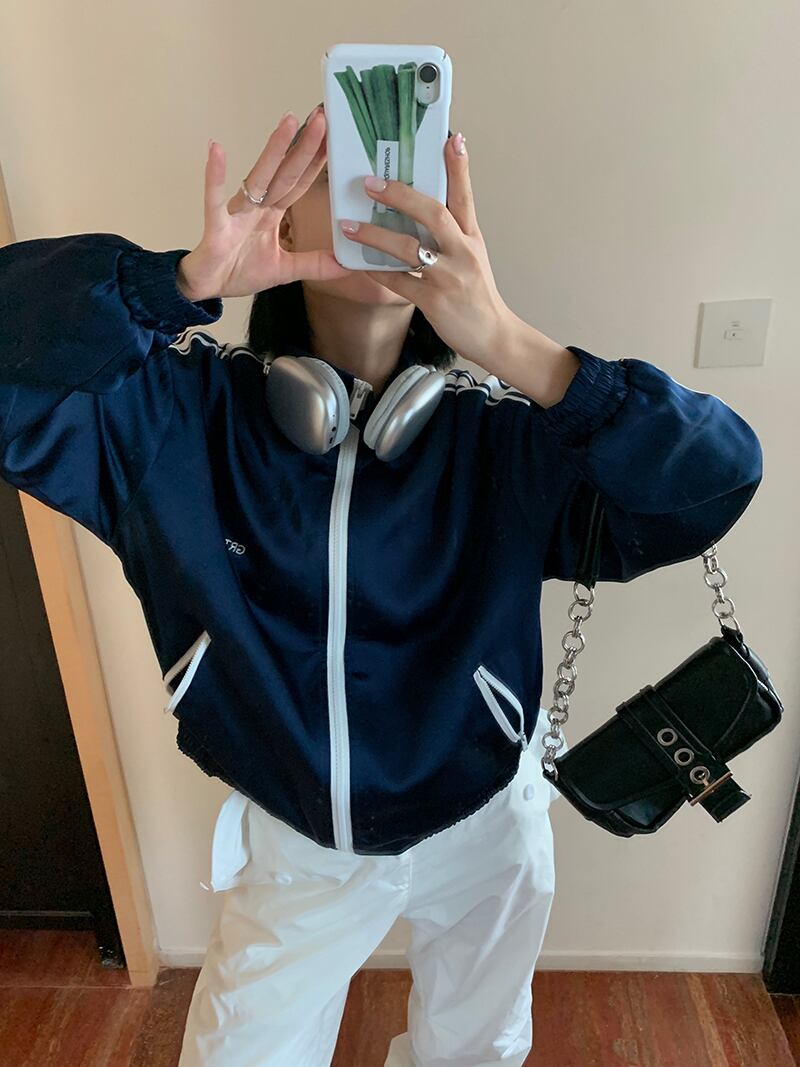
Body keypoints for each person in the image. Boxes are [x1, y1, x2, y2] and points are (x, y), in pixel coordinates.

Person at [0, 101, 763, 1067]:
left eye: (414, 173)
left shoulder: (505, 439)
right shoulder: (172, 421)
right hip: (297, 834)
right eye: (343, 167)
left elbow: (720, 477)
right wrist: (176, 284)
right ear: (284, 213)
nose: (382, 191)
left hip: (489, 818)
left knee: (477, 1051)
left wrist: (508, 340)